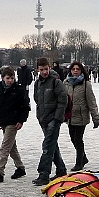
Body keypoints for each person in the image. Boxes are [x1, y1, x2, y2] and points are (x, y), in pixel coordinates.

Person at [0, 66, 30, 182]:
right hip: (3, 121)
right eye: (8, 78)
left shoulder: (18, 90)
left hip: (13, 122)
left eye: (12, 78)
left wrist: (21, 120)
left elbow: (25, 107)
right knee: (11, 147)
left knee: (5, 147)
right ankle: (20, 168)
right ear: (3, 78)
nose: (10, 80)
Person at [32, 57, 68, 185]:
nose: (44, 72)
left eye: (46, 69)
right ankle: (61, 170)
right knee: (53, 145)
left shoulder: (56, 82)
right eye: (41, 70)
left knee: (47, 146)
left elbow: (63, 100)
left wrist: (57, 117)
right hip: (43, 119)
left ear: (49, 68)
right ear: (38, 70)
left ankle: (44, 174)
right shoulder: (37, 83)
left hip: (54, 119)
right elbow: (37, 100)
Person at [64, 61, 99, 171]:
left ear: (81, 71)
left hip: (81, 116)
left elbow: (91, 101)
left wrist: (95, 117)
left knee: (78, 139)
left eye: (78, 69)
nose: (75, 71)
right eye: (73, 69)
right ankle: (84, 158)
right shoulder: (66, 83)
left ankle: (79, 162)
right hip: (70, 116)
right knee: (72, 138)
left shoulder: (86, 84)